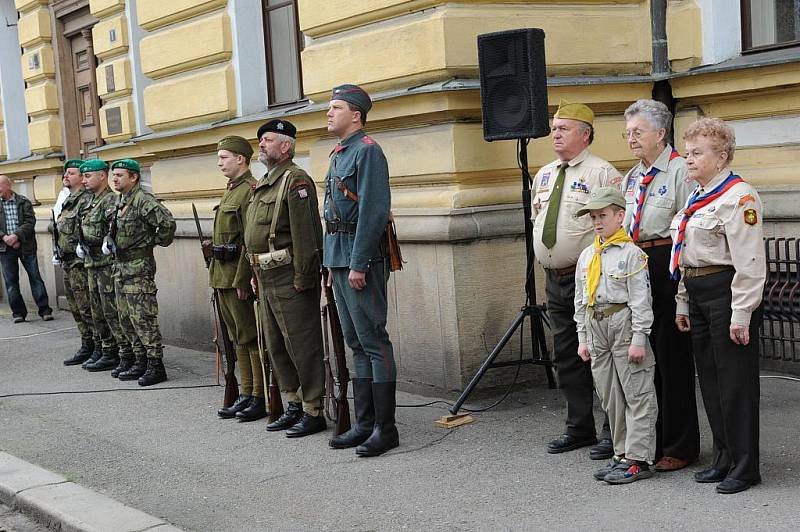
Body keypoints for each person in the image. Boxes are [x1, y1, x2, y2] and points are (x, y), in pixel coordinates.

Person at [672, 117, 765, 494]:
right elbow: (685, 255)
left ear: (721, 156)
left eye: (697, 153)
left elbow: (750, 261)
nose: (688, 159)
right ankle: (723, 458)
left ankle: (745, 467)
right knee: (710, 381)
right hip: (697, 292)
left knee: (735, 384)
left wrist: (742, 312)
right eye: (687, 151)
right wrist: (681, 302)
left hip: (727, 294)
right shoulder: (698, 196)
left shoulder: (739, 196)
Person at [531, 100, 621, 459]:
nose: (555, 133)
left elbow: (614, 227)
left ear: (585, 135)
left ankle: (612, 431)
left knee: (600, 353)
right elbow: (538, 218)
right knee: (567, 353)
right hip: (555, 277)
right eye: (554, 128)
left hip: (591, 280)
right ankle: (578, 426)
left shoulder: (602, 173)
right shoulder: (545, 174)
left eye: (563, 128)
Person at [622, 99, 699, 471]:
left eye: (637, 132)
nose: (631, 139)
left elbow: (689, 228)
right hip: (638, 264)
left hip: (667, 262)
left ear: (660, 133)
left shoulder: (681, 171)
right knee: (644, 356)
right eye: (628, 133)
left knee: (672, 358)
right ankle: (647, 440)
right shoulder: (633, 176)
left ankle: (680, 445)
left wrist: (681, 284)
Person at [323, 85, 398, 457]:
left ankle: (386, 429)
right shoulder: (339, 153)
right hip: (338, 256)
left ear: (356, 114)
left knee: (373, 340)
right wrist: (331, 263)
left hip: (358, 258)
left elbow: (373, 211)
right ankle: (364, 423)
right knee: (355, 343)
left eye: (335, 107)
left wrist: (359, 262)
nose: (328, 113)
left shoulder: (368, 152)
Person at [244, 119, 326, 437]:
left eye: (267, 140)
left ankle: (313, 408)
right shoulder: (267, 182)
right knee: (276, 345)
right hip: (266, 276)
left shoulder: (296, 181)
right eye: (261, 141)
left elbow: (307, 236)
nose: (261, 145)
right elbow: (257, 234)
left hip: (290, 277)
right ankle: (293, 403)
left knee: (301, 345)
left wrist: (305, 278)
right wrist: (254, 273)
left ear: (286, 146)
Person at [574, 187, 658, 484]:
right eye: (593, 217)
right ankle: (621, 454)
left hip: (622, 322)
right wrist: (583, 337)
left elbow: (640, 299)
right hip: (596, 325)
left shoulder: (631, 254)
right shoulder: (588, 254)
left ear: (620, 215)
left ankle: (639, 458)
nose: (597, 222)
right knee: (610, 395)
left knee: (636, 392)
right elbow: (581, 299)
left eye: (603, 216)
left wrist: (639, 338)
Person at [210, 136, 266, 422]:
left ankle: (258, 395)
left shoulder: (249, 191)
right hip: (222, 275)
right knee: (236, 337)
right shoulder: (230, 190)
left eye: (224, 157)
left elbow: (249, 240)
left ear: (241, 159)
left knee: (250, 336)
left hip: (237, 277)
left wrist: (244, 279)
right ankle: (245, 392)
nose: (219, 163)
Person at [110, 159, 176, 386]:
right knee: (126, 317)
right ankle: (140, 360)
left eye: (119, 175)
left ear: (134, 177)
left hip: (138, 267)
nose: (115, 179)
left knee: (143, 317)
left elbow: (167, 223)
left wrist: (152, 242)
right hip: (121, 267)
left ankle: (156, 365)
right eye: (114, 175)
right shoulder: (122, 201)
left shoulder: (142, 201)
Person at [79, 159, 134, 375]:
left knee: (112, 312)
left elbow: (109, 233)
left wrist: (91, 240)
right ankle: (107, 350)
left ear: (102, 176)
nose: (84, 180)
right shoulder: (90, 201)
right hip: (92, 263)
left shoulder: (110, 200)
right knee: (97, 311)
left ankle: (123, 352)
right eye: (82, 176)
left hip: (106, 265)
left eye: (88, 175)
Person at [55, 160, 97, 365]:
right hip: (67, 261)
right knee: (76, 308)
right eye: (65, 173)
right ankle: (87, 343)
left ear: (82, 177)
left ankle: (99, 346)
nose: (66, 176)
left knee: (87, 307)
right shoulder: (69, 199)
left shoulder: (86, 200)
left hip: (80, 263)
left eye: (71, 173)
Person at [0, 174, 53, 323]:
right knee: (11, 282)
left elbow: (30, 222)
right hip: (4, 248)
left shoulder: (23, 201)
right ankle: (18, 313)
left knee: (35, 277)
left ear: (8, 186)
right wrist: (5, 238)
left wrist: (16, 236)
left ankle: (45, 310)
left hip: (26, 246)